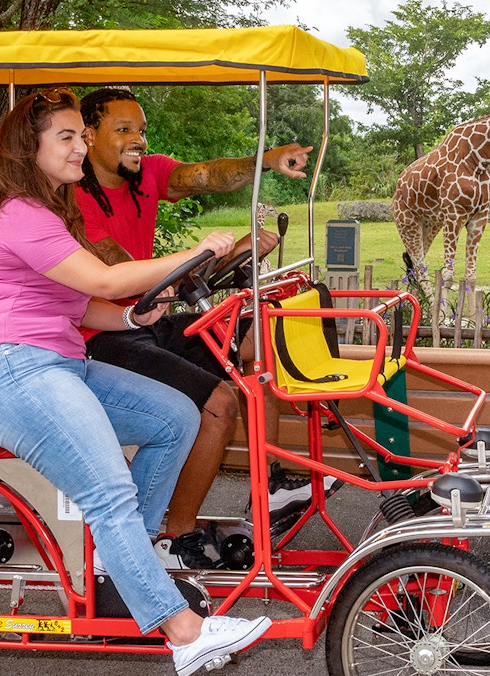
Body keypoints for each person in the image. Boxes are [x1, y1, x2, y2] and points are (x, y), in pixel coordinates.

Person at [0, 87, 270, 676]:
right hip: (9, 370)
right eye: (67, 138)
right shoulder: (20, 213)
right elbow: (101, 274)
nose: (80, 148)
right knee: (108, 492)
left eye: (81, 136)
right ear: (32, 148)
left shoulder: (53, 210)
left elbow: (76, 303)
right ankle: (184, 632)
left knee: (175, 418)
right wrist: (192, 251)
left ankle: (122, 568)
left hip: (57, 361)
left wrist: (131, 317)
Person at [77, 87, 335, 564]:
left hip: (148, 321)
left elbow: (208, 175)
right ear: (88, 136)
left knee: (259, 333)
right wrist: (195, 264)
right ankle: (175, 537)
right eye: (124, 130)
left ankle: (272, 483)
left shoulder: (147, 173)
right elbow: (119, 271)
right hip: (102, 336)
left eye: (142, 130)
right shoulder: (72, 197)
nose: (138, 139)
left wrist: (266, 162)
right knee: (218, 404)